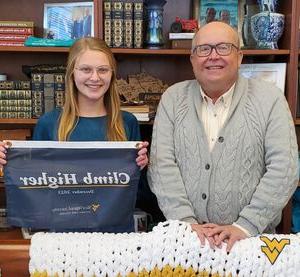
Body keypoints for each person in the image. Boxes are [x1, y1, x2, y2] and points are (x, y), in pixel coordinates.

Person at [148, 21, 298, 251]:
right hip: (186, 242)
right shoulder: (173, 99)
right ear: (192, 59)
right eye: (204, 49)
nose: (213, 56)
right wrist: (186, 224)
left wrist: (245, 226)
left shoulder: (270, 99)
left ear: (239, 57)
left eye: (224, 47)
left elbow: (285, 168)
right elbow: (161, 166)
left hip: (251, 244)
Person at [0, 37, 149, 232]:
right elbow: (34, 188)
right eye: (86, 69)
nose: (95, 77)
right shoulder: (49, 123)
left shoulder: (127, 122)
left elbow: (138, 193)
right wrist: (6, 159)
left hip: (115, 237)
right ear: (72, 73)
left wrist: (143, 167)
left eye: (103, 70)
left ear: (112, 74)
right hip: (62, 237)